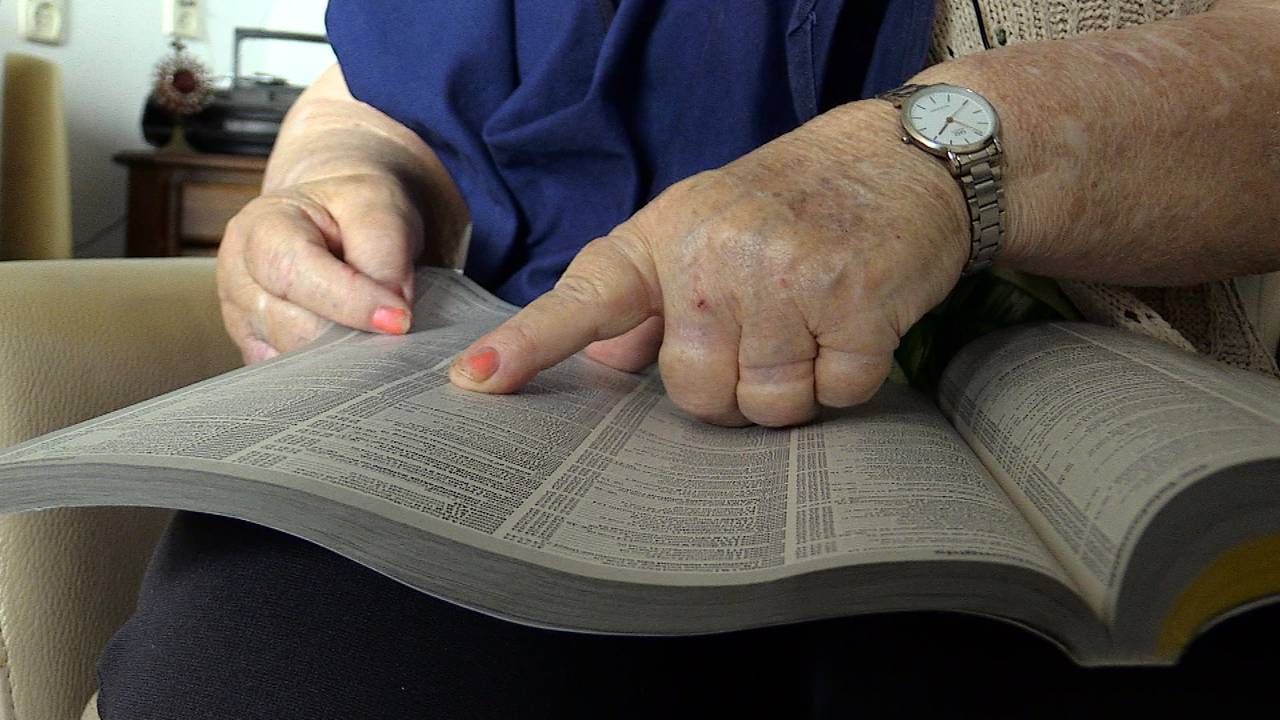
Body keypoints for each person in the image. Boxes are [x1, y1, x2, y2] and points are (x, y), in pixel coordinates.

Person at [98, 1, 1280, 717]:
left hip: (990, 424)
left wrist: (923, 165)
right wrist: (330, 177)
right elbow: (382, 89)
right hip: (511, 413)